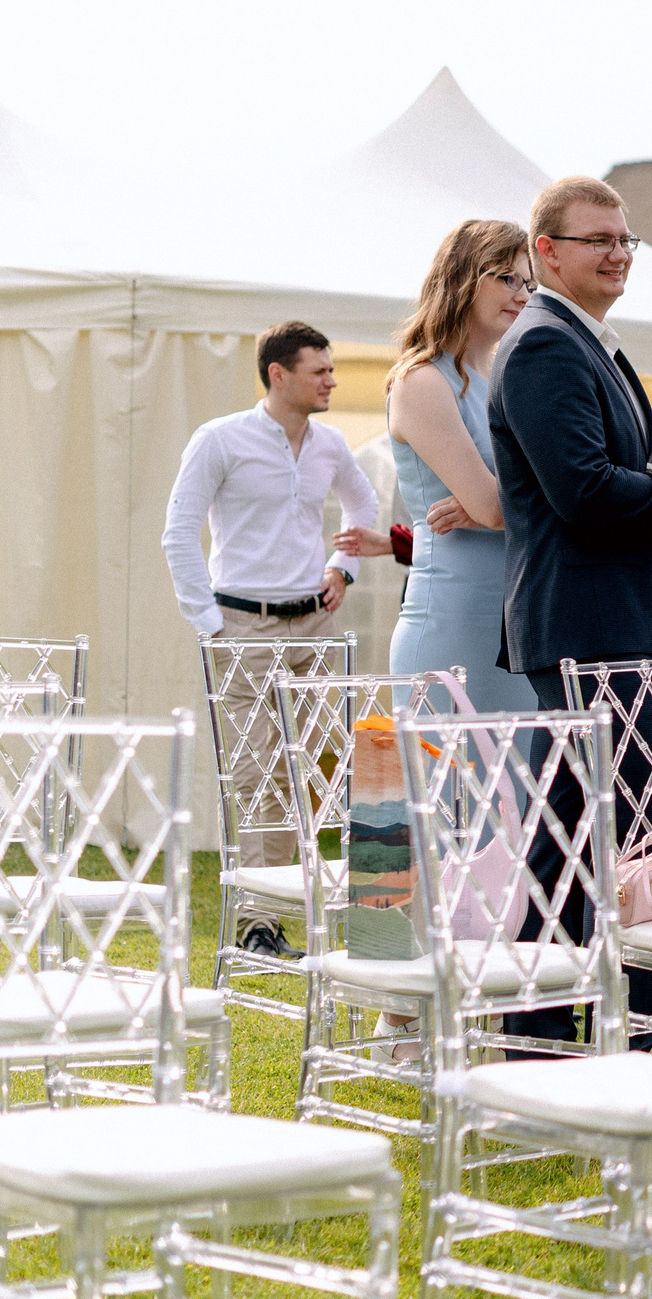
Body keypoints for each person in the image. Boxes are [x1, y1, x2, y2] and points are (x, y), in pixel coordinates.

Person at [491, 176, 652, 1052]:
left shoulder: (591, 342)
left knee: (598, 832)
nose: (619, 252)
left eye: (625, 239)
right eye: (598, 240)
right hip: (586, 624)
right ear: (547, 251)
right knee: (608, 831)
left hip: (615, 622)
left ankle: (584, 1028)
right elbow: (583, 492)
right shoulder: (546, 345)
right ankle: (570, 1032)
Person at [163, 321, 377, 895]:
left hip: (315, 627)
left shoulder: (330, 445)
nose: (332, 380)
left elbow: (363, 501)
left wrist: (343, 568)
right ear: (278, 375)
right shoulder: (219, 439)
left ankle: (296, 902)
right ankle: (259, 916)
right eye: (321, 371)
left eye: (331, 369)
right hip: (241, 627)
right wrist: (213, 627)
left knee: (307, 770)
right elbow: (178, 535)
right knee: (256, 774)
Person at [332, 219, 537, 709]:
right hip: (455, 623)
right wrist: (496, 502)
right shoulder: (422, 381)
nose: (523, 294)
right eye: (506, 277)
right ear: (463, 278)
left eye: (529, 282)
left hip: (522, 622)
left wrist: (498, 501)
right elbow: (493, 508)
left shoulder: (510, 377)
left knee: (521, 784)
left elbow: (508, 500)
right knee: (452, 785)